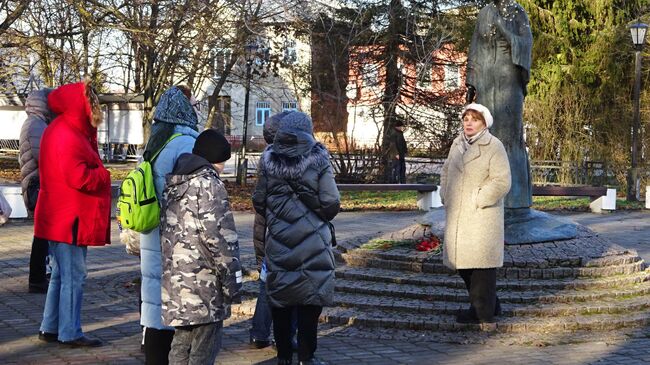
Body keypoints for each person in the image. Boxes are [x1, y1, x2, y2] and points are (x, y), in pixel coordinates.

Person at [253, 111, 340, 365]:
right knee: (310, 302)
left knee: (281, 301)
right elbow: (331, 202)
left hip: (279, 242)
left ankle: (283, 357)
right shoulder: (319, 158)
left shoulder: (268, 160)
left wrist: (279, 215)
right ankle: (306, 357)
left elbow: (259, 200)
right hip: (313, 244)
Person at [35, 81, 110, 347]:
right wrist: (103, 174)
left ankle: (51, 326)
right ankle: (70, 332)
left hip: (61, 215)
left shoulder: (61, 129)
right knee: (73, 277)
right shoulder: (68, 133)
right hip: (69, 218)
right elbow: (78, 177)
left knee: (60, 274)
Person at [161, 129, 242, 365]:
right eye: (224, 161)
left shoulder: (175, 181)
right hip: (204, 284)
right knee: (203, 350)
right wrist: (232, 282)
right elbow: (220, 240)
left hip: (177, 281)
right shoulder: (209, 185)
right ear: (217, 159)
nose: (224, 167)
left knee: (180, 344)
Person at [140, 85, 200, 364]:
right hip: (177, 236)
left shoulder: (156, 143)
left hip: (152, 232)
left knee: (154, 305)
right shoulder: (185, 143)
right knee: (176, 307)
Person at [440, 103, 511, 324]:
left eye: (475, 119)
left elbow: (502, 181)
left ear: (484, 123)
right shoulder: (457, 144)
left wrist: (479, 198)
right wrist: (445, 193)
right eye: (466, 119)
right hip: (459, 217)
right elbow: (445, 171)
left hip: (482, 217)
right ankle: (491, 304)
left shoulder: (494, 145)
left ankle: (482, 313)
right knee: (463, 265)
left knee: (481, 267)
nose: (469, 123)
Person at [466, 0, 533, 209]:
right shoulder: (485, 12)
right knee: (486, 131)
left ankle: (515, 198)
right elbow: (475, 47)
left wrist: (504, 30)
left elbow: (526, 43)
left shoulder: (517, 12)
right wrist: (471, 81)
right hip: (486, 77)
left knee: (510, 135)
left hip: (509, 76)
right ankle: (483, 194)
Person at [250, 111, 298, 350]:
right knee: (282, 283)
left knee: (267, 281)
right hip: (278, 229)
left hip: (268, 226)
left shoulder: (268, 156)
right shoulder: (283, 158)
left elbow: (259, 199)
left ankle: (259, 332)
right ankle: (284, 336)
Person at [18, 88, 55, 294]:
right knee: (42, 234)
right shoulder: (36, 124)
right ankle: (37, 278)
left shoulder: (36, 122)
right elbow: (46, 156)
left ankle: (40, 276)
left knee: (43, 233)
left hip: (35, 183)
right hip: (37, 185)